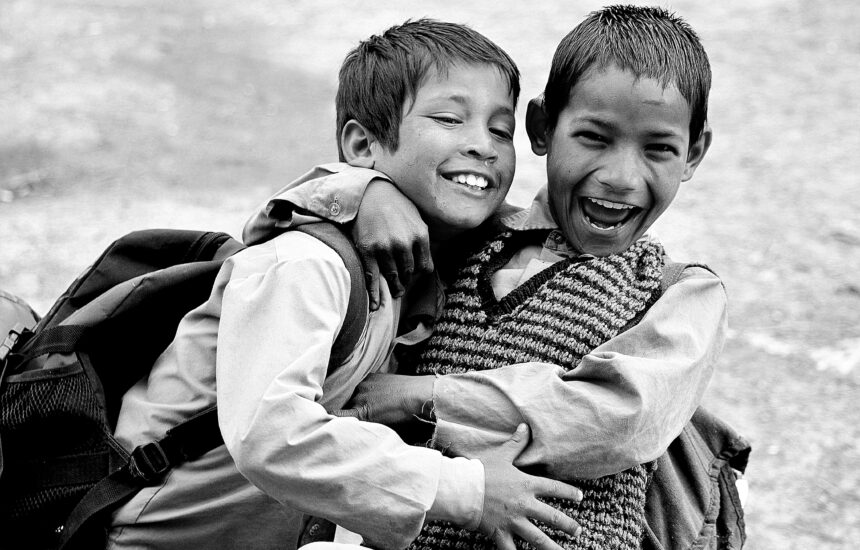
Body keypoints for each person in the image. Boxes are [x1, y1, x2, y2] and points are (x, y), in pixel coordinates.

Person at [249, 6, 746, 550]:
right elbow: (274, 226)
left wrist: (421, 397)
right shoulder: (466, 234)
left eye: (659, 149)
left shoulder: (680, 292)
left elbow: (618, 416)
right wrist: (364, 191)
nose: (621, 176)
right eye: (594, 138)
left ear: (694, 152)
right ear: (540, 128)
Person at [107, 19, 585, 550]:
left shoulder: (430, 262)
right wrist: (469, 491)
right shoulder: (305, 264)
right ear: (363, 143)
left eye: (500, 129)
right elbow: (271, 436)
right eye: (450, 119)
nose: (482, 146)